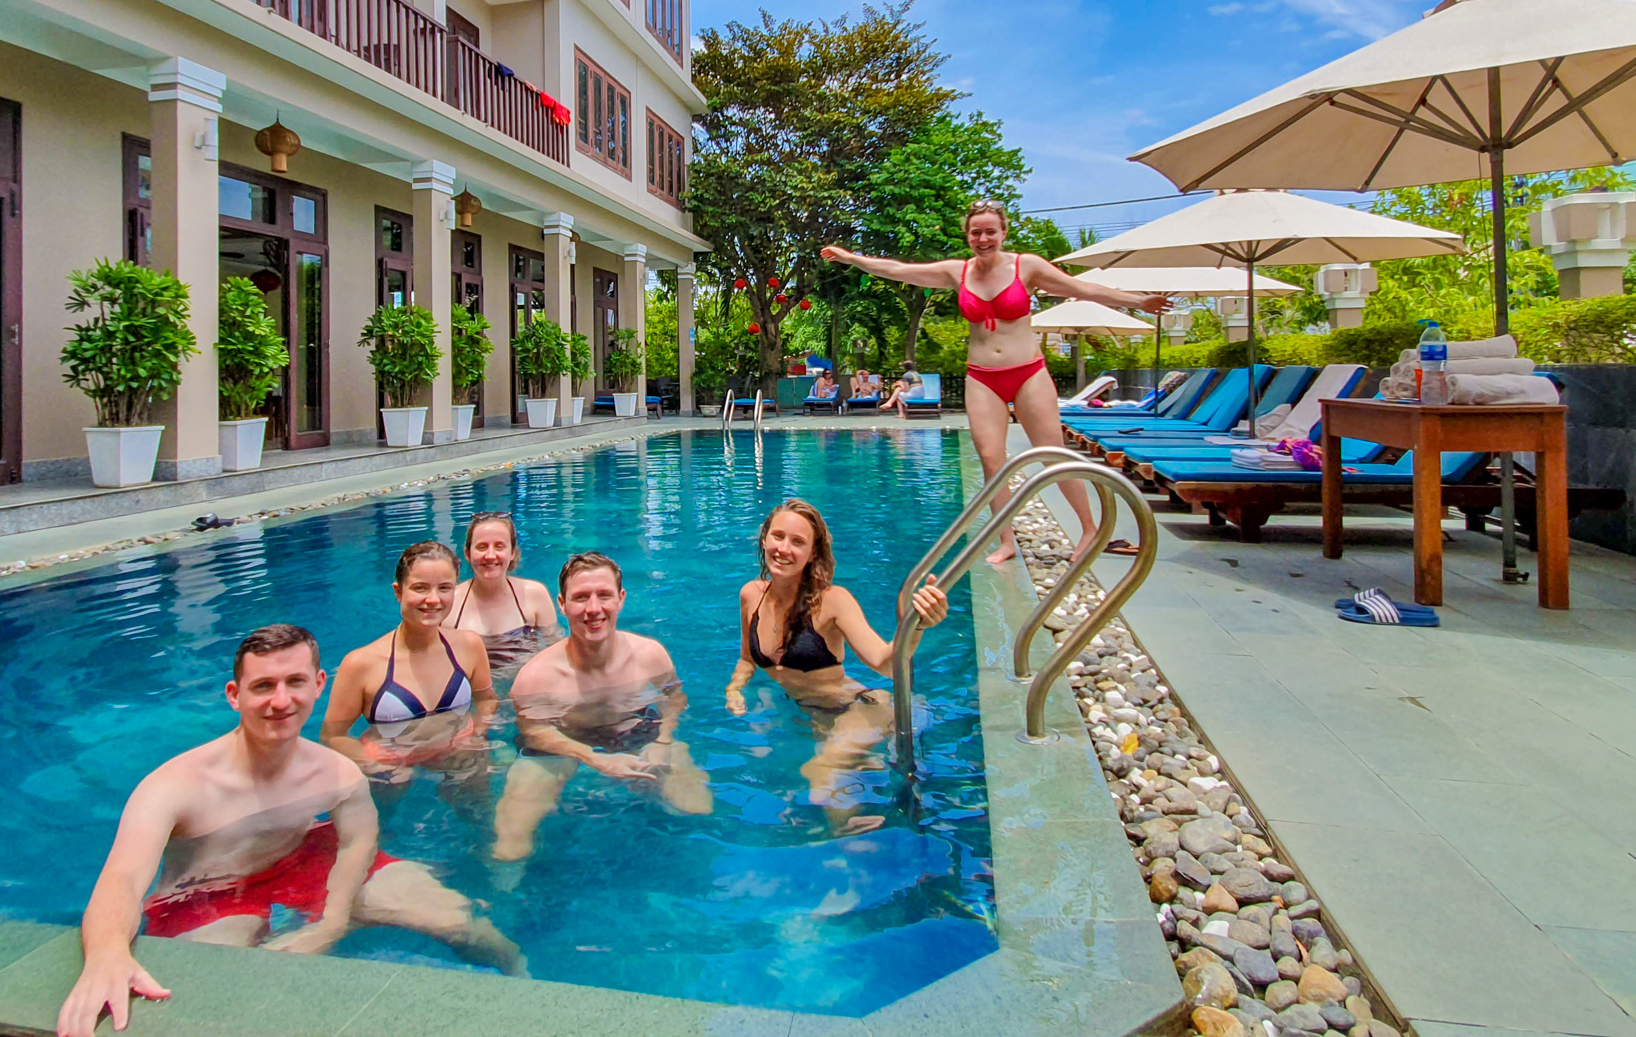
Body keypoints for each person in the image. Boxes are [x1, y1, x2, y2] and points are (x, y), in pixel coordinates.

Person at [55, 623, 520, 1037]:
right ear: (234, 695)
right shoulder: (175, 786)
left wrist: (332, 923)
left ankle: (524, 984)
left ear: (318, 684)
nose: (281, 701)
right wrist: (107, 953)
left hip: (307, 860)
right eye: (263, 686)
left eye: (295, 682)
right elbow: (122, 878)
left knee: (464, 922)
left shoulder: (337, 774)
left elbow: (357, 847)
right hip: (205, 892)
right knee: (215, 984)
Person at [825, 201, 1169, 562]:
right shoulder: (958, 272)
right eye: (976, 232)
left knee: (1052, 454)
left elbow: (1081, 288)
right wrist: (851, 258)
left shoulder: (1026, 266)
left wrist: (1137, 301)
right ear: (967, 236)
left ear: (1003, 233)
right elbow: (899, 270)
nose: (983, 238)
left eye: (990, 231)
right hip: (982, 377)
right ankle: (1006, 542)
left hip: (1028, 373)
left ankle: (1088, 530)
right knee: (991, 459)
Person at [725, 499, 949, 834]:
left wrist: (914, 625)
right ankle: (862, 780)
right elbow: (747, 658)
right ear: (764, 539)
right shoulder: (750, 595)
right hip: (812, 715)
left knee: (820, 774)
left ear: (812, 553)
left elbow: (886, 664)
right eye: (778, 536)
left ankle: (860, 850)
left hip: (857, 707)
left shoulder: (832, 601)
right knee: (805, 773)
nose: (784, 549)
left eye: (798, 542)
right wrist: (735, 688)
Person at [493, 551, 712, 862]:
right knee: (511, 843)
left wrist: (663, 741)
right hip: (561, 743)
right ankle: (505, 888)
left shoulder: (650, 655)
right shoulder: (536, 678)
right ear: (562, 604)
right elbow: (534, 731)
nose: (593, 609)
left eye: (604, 595)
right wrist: (595, 760)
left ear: (621, 599)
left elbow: (675, 698)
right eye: (581, 597)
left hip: (634, 730)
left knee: (697, 806)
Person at [318, 541, 496, 784]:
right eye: (420, 588)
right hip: (394, 773)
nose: (433, 599)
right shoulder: (361, 664)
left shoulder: (469, 646)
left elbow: (487, 700)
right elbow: (332, 736)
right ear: (398, 591)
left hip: (457, 759)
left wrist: (475, 733)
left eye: (444, 588)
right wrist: (375, 764)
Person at [449, 512, 557, 684]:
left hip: (523, 688)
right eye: (482, 547)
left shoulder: (535, 595)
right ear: (467, 553)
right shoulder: (449, 602)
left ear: (512, 552)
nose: (490, 555)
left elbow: (555, 652)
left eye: (499, 546)